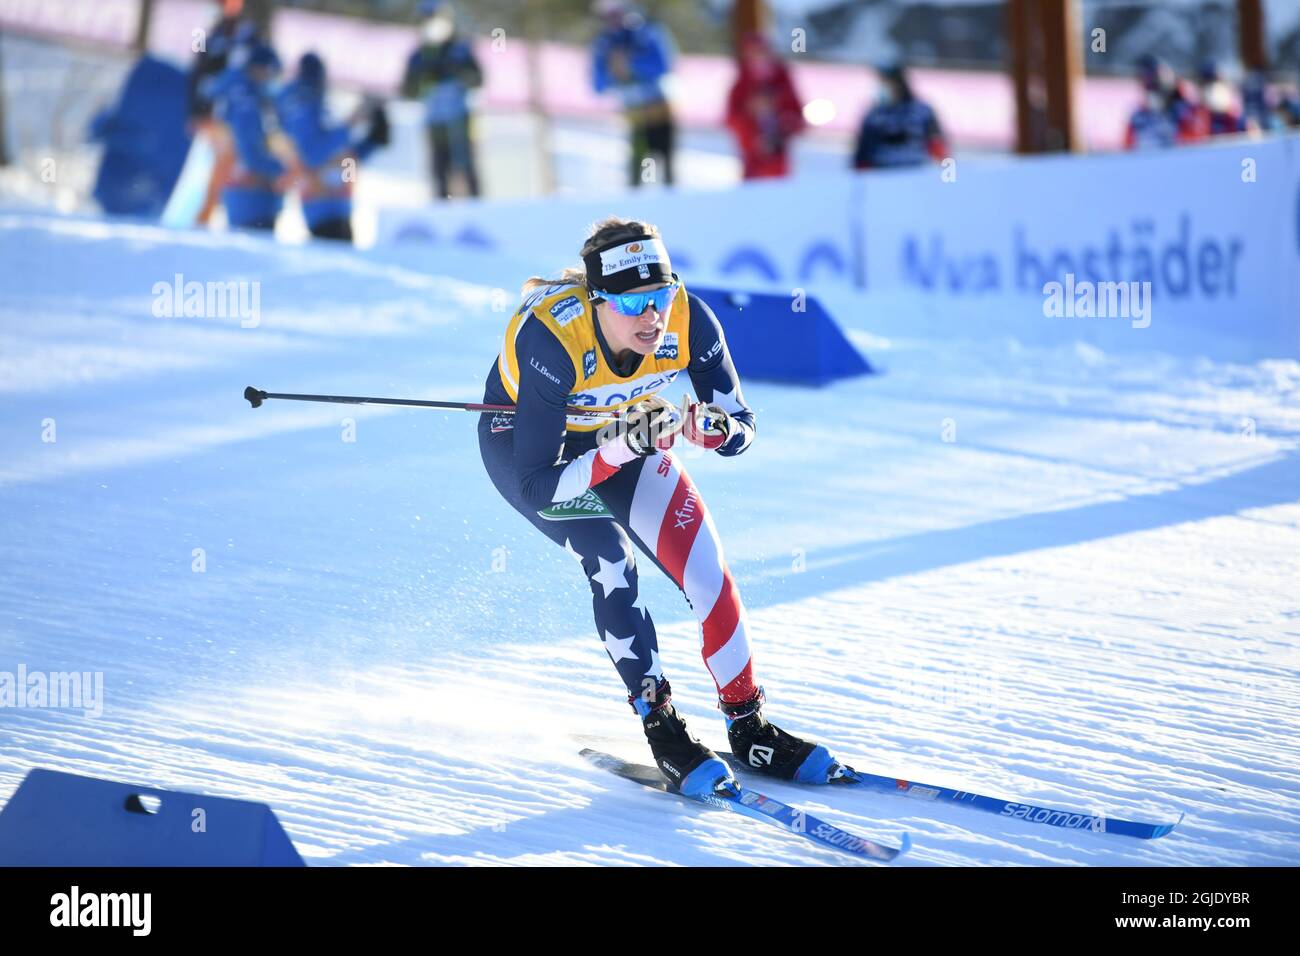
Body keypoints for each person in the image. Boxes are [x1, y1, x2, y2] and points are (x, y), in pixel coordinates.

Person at [477, 217, 844, 796]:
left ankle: (749, 724)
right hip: (531, 448)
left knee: (707, 574)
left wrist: (716, 428)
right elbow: (538, 486)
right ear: (598, 302)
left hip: (627, 433)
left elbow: (744, 424)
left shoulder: (688, 318)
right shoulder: (553, 340)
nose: (653, 317)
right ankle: (661, 723)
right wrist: (623, 443)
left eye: (662, 295)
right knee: (609, 557)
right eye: (636, 303)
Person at [276, 52, 389, 242]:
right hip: (321, 206)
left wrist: (371, 142)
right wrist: (350, 124)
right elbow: (312, 155)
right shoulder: (300, 106)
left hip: (341, 203)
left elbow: (344, 155)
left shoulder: (321, 106)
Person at [402, 0, 483, 200]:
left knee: (467, 170)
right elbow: (408, 91)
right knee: (440, 174)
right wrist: (423, 74)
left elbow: (478, 79)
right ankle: (443, 213)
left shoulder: (460, 50)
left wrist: (457, 71)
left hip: (460, 121)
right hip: (435, 123)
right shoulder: (419, 56)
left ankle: (477, 209)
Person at [591, 2, 676, 188]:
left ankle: (667, 198)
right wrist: (614, 72)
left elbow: (663, 65)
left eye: (616, 13)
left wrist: (631, 63)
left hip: (658, 111)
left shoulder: (646, 34)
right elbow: (597, 84)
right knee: (639, 163)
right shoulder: (605, 44)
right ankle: (639, 201)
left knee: (661, 161)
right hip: (634, 115)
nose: (613, 19)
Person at [209, 42, 290, 231]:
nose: (273, 80)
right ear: (258, 69)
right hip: (251, 198)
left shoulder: (249, 98)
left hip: (249, 196)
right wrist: (282, 168)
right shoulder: (246, 104)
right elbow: (249, 153)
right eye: (271, 73)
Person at [725, 32, 805, 180]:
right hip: (753, 158)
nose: (758, 57)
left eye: (762, 51)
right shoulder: (742, 84)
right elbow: (731, 119)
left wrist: (782, 122)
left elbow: (798, 116)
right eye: (754, 52)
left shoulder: (782, 81)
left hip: (778, 155)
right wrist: (752, 124)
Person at [852, 62, 946, 169]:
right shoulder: (874, 115)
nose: (882, 87)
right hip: (882, 175)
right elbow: (862, 154)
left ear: (899, 84)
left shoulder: (921, 111)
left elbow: (938, 147)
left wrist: (941, 167)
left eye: (887, 83)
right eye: (881, 83)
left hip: (916, 173)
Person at [1124, 55, 1200, 150]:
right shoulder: (1139, 117)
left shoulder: (1186, 111)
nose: (1149, 83)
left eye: (1154, 78)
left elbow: (1198, 144)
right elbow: (1128, 148)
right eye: (1145, 78)